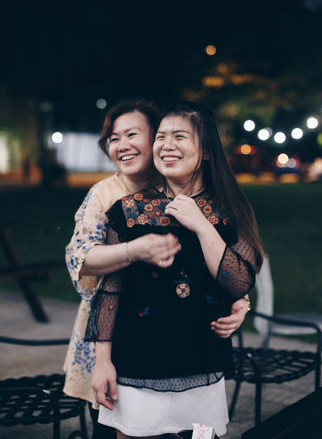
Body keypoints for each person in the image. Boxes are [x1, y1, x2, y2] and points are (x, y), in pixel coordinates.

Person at [64, 100, 250, 439]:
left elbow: (236, 280)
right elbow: (108, 282)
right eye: (162, 136)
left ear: (205, 150)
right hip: (136, 357)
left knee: (202, 434)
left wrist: (202, 225)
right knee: (131, 433)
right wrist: (103, 360)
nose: (167, 144)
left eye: (179, 136)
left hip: (202, 359)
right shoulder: (124, 205)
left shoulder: (224, 208)